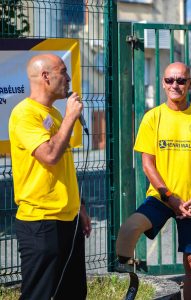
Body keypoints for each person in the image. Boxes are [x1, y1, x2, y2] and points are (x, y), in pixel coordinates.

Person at [116, 62, 191, 300]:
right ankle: (126, 282)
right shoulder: (152, 118)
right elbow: (147, 164)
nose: (175, 85)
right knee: (128, 229)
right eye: (169, 80)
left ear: (190, 84)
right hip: (162, 197)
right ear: (163, 83)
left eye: (181, 80)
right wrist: (169, 197)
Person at [9, 54, 92, 300]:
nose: (68, 78)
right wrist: (70, 117)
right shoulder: (25, 114)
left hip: (69, 219)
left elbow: (65, 167)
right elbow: (50, 155)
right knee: (40, 294)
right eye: (63, 72)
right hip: (41, 222)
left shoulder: (54, 115)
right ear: (46, 76)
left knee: (74, 293)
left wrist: (80, 206)